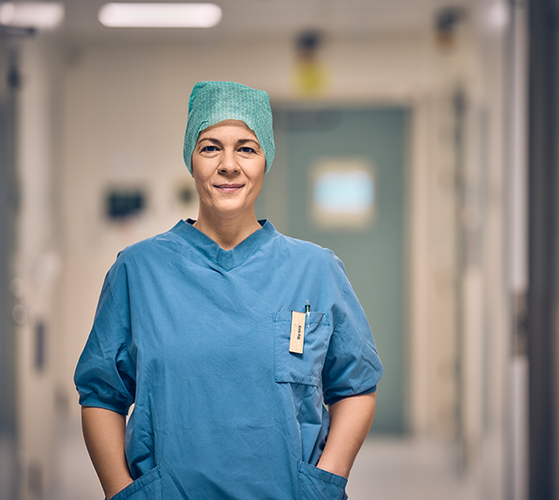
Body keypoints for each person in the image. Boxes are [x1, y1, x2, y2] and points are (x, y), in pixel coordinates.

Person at [74, 81, 383, 500]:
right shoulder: (138, 270)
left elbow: (355, 386)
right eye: (210, 147)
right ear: (191, 160)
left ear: (265, 160)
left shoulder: (315, 269)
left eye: (247, 148)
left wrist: (325, 483)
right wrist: (120, 493)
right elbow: (101, 394)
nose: (229, 165)